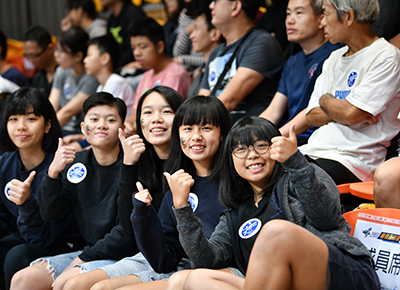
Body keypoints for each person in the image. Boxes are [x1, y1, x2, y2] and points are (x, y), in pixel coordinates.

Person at [165, 116, 379, 290]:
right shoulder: (236, 212)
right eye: (241, 149)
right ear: (230, 159)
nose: (252, 155)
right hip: (282, 285)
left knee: (276, 231)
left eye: (261, 146)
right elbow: (207, 261)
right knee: (190, 280)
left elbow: (327, 219)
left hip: (341, 273)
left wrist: (295, 161)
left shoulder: (302, 173)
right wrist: (182, 207)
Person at [64, 95, 230, 290]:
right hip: (172, 265)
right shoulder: (174, 181)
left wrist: (181, 206)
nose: (196, 136)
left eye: (206, 128)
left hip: (214, 270)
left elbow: (208, 259)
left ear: (222, 133)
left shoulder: (234, 181)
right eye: (188, 128)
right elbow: (163, 259)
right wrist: (142, 213)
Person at [10, 92, 137, 290]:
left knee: (67, 283)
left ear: (122, 128)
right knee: (22, 279)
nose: (101, 125)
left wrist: (83, 257)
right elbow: (51, 214)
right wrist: (53, 172)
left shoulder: (131, 164)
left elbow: (127, 232)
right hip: (87, 251)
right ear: (83, 128)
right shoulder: (77, 164)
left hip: (124, 254)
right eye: (94, 119)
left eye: (110, 120)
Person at [299, 0, 400, 185]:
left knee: (292, 181)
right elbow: (312, 116)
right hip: (315, 149)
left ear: (347, 16)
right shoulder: (334, 58)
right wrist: (339, 106)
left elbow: (351, 114)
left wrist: (328, 101)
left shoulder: (386, 56)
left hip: (355, 160)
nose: (322, 23)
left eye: (325, 14)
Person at [0, 88, 80, 290]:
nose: (21, 127)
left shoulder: (61, 166)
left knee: (16, 256)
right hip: (24, 235)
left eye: (31, 119)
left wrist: (27, 203)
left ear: (47, 125)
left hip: (60, 242)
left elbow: (45, 235)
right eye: (13, 119)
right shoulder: (4, 164)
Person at [259, 0, 342, 145]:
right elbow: (274, 111)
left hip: (317, 139)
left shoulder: (335, 54)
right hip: (289, 137)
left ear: (321, 19)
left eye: (299, 13)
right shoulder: (292, 62)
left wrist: (269, 139)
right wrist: (251, 133)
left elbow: (312, 111)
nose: (290, 21)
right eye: (288, 14)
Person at [199, 0, 284, 123]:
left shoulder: (261, 42)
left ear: (235, 7)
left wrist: (192, 120)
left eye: (216, 1)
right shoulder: (216, 52)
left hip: (249, 136)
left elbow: (228, 101)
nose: (211, 5)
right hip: (219, 133)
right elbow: (201, 101)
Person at [124, 17, 192, 135]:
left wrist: (133, 128)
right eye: (133, 48)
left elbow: (165, 117)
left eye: (143, 47)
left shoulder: (175, 73)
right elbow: (135, 114)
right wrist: (126, 125)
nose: (136, 53)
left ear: (160, 46)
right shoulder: (147, 75)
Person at [49, 28, 98, 139]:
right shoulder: (61, 71)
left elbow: (67, 112)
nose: (56, 55)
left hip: (79, 132)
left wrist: (45, 132)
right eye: (57, 49)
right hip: (61, 128)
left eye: (61, 51)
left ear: (78, 56)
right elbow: (51, 106)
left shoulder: (91, 78)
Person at [186, 6, 223, 98]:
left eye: (197, 29)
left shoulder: (222, 68)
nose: (191, 36)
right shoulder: (198, 71)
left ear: (215, 34)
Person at [102, 0, 146, 70]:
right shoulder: (111, 20)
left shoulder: (133, 14)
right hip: (120, 67)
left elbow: (137, 47)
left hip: (137, 66)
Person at [23, 26, 58, 97]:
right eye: (27, 56)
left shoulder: (65, 71)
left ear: (50, 48)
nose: (31, 61)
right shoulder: (37, 77)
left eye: (34, 55)